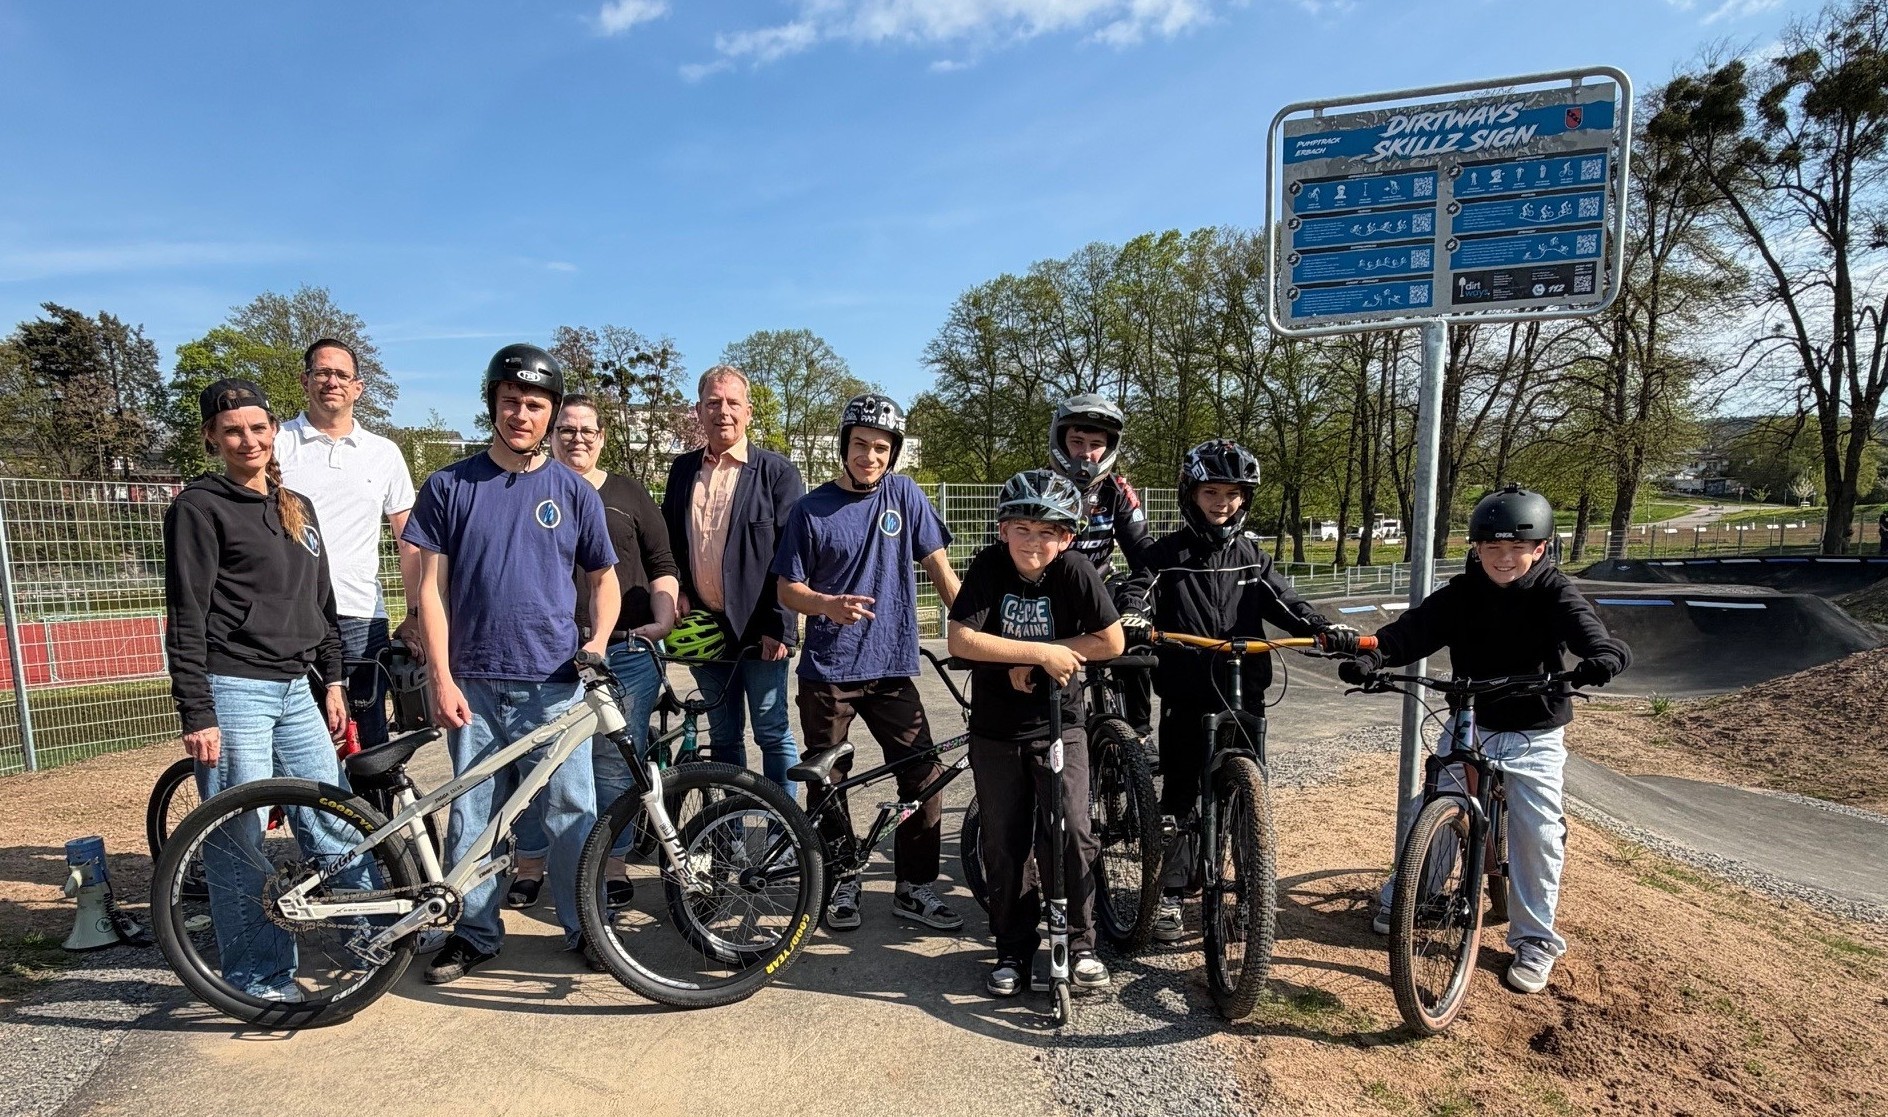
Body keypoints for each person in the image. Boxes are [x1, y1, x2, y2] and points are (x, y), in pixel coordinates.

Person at [1340, 484, 1631, 994]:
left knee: (1536, 831)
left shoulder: (1554, 592)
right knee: (1433, 804)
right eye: (1491, 548)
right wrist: (1373, 658)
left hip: (1534, 727)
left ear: (1539, 548)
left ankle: (1535, 940)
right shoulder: (1462, 594)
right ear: (1476, 549)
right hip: (1472, 716)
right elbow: (1410, 632)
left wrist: (1603, 656)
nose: (1504, 558)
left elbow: (1589, 631)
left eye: (1517, 548)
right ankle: (1418, 894)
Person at [401, 344, 619, 984]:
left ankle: (589, 929)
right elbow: (429, 593)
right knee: (473, 813)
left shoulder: (572, 492)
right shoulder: (449, 486)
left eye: (534, 405)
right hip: (473, 681)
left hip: (555, 683)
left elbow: (603, 578)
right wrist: (440, 678)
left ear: (549, 414)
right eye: (510, 402)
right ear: (492, 404)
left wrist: (598, 643)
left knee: (572, 808)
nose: (521, 414)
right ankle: (473, 933)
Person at [1118, 439, 1360, 945]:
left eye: (1232, 494)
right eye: (1211, 492)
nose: (1221, 503)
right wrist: (1136, 614)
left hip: (1245, 692)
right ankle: (1171, 895)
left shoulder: (1252, 557)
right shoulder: (1165, 554)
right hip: (1186, 693)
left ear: (1244, 499)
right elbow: (1138, 586)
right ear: (1191, 493)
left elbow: (1286, 601)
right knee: (1181, 796)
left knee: (1250, 798)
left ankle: (1251, 893)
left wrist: (1321, 626)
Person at [163, 378, 354, 1003]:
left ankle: (371, 933)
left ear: (274, 431)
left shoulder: (294, 505)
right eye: (233, 430)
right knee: (239, 837)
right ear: (212, 438)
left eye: (257, 427)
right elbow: (186, 614)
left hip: (297, 686)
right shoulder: (200, 506)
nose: (248, 439)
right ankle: (258, 975)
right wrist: (199, 709)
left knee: (335, 820)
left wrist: (333, 680)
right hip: (234, 685)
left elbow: (321, 604)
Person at [773, 394, 963, 931]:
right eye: (861, 445)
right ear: (844, 446)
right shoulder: (810, 510)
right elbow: (789, 589)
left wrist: (974, 632)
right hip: (828, 674)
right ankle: (841, 881)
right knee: (828, 781)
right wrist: (826, 605)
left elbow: (940, 570)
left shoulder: (905, 495)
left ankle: (915, 887)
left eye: (881, 448)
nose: (870, 456)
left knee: (924, 774)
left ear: (893, 453)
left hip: (891, 668)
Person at [948, 469, 1125, 995]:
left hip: (1060, 724)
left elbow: (1110, 640)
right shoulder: (988, 566)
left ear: (1067, 537)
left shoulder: (1075, 570)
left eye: (1047, 531)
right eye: (1022, 528)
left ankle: (1080, 942)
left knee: (1070, 828)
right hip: (997, 729)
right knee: (1005, 841)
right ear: (1003, 530)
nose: (1034, 541)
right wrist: (1035, 654)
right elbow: (961, 639)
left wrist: (1054, 657)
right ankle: (1012, 949)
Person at [508, 394, 679, 910]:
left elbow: (660, 560)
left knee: (612, 763)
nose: (576, 438)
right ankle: (532, 863)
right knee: (541, 762)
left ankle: (614, 861)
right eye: (566, 430)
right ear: (549, 434)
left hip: (624, 651)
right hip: (547, 654)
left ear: (602, 438)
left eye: (587, 430)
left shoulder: (627, 493)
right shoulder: (528, 487)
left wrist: (664, 618)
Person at [661, 365, 805, 792]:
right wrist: (680, 591)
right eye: (712, 402)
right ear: (699, 411)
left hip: (761, 630)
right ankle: (731, 837)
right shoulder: (683, 470)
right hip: (704, 630)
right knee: (724, 737)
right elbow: (670, 540)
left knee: (772, 734)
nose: (722, 411)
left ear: (748, 411)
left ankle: (785, 837)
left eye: (732, 402)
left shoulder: (777, 473)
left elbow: (790, 556)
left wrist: (780, 625)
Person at [275, 338, 424, 749]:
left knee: (368, 739)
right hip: (291, 616)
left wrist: (414, 614)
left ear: (358, 387)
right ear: (305, 380)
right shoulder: (275, 444)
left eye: (342, 374)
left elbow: (408, 541)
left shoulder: (384, 453)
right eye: (322, 373)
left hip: (360, 615)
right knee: (299, 739)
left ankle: (371, 814)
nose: (331, 382)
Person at [1046, 394, 1158, 734]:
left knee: (1135, 635)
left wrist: (1137, 604)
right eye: (1077, 441)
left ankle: (1138, 733)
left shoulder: (1118, 490)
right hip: (1048, 592)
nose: (1085, 452)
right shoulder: (1039, 485)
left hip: (1099, 588)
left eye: (1096, 444)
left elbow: (1144, 556)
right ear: (1060, 442)